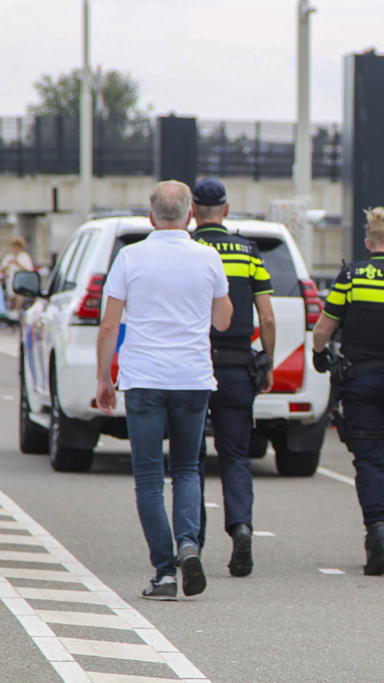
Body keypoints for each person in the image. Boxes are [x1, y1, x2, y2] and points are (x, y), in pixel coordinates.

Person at [96, 180, 233, 600]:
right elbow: (224, 321)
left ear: (151, 216)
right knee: (188, 469)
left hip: (144, 379)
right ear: (191, 215)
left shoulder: (130, 257)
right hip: (193, 378)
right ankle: (189, 545)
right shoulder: (208, 257)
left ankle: (165, 573)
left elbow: (108, 325)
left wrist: (104, 379)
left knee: (150, 479)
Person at [311, 207, 384, 576]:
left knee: (367, 459)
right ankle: (382, 529)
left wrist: (319, 356)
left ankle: (378, 530)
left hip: (359, 382)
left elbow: (322, 331)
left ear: (368, 243)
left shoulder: (350, 277)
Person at [191, 178, 276, 578]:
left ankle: (192, 540)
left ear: (193, 211)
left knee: (189, 458)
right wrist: (268, 363)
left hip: (192, 366)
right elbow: (269, 316)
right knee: (236, 456)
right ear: (225, 210)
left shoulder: (187, 249)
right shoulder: (247, 251)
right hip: (238, 366)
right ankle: (241, 528)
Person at [1, 236, 34, 320]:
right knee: (11, 293)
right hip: (10, 280)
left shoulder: (24, 257)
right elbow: (2, 269)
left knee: (20, 293)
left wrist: (18, 263)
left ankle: (17, 310)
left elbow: (29, 269)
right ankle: (11, 311)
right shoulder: (9, 257)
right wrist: (8, 264)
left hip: (22, 280)